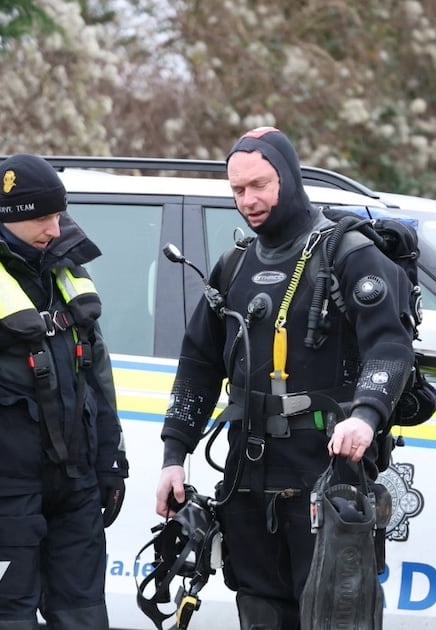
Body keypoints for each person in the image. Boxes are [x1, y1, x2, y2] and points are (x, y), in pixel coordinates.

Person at [153, 126, 420, 628]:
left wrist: (365, 416)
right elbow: (198, 365)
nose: (248, 201)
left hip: (326, 475)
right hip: (247, 480)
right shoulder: (233, 267)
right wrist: (174, 455)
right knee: (258, 611)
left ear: (289, 179)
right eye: (238, 190)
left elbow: (390, 346)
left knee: (336, 613)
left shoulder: (348, 254)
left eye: (260, 185)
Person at [0, 154, 128, 629]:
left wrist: (110, 459)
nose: (55, 227)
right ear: (10, 217)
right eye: (43, 218)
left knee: (84, 619)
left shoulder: (60, 262)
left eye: (58, 215)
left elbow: (96, 369)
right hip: (2, 493)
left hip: (76, 483)